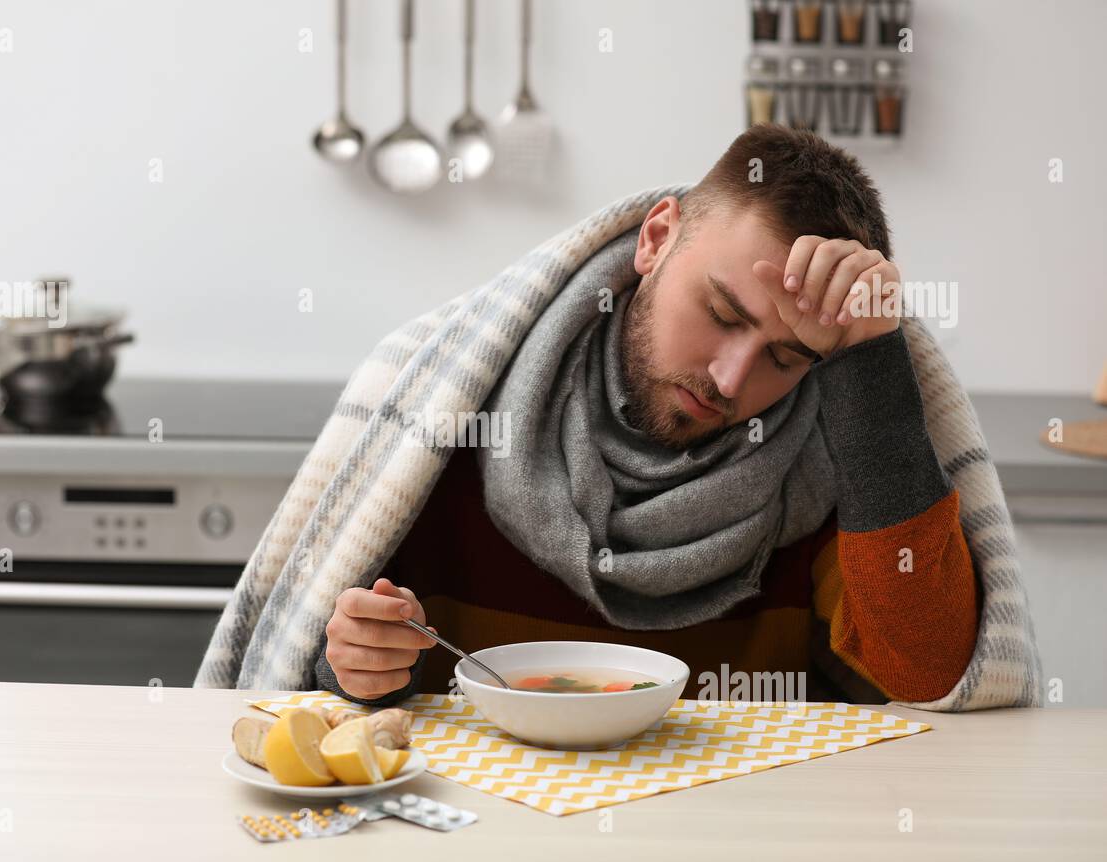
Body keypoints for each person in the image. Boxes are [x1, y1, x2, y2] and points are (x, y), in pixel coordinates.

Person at [316, 124, 982, 708]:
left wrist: (872, 368)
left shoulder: (845, 448)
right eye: (722, 314)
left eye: (785, 357)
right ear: (656, 238)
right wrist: (359, 665)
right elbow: (330, 677)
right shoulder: (452, 406)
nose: (730, 379)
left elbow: (923, 671)